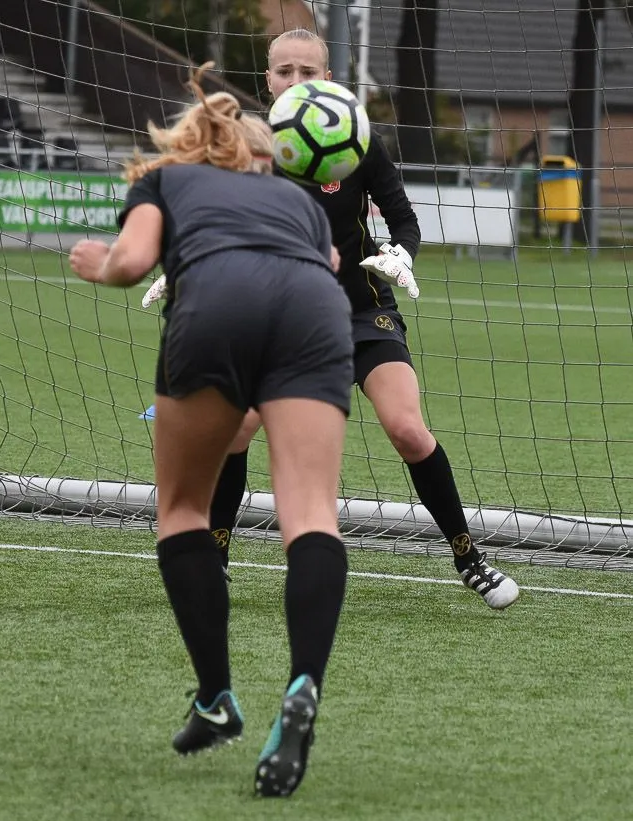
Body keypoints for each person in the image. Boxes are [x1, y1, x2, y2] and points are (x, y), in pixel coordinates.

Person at [142, 28, 519, 611]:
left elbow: (405, 219)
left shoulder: (359, 141)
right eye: (284, 71)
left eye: (308, 72)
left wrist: (400, 253)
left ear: (329, 80)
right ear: (267, 81)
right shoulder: (249, 149)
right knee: (237, 428)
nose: (296, 82)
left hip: (361, 309)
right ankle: (214, 555)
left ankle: (470, 557)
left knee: (408, 430)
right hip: (280, 317)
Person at [69, 63, 353, 798]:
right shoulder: (301, 204)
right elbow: (326, 263)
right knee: (312, 513)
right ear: (263, 155)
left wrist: (98, 265)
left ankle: (217, 696)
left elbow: (133, 262)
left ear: (194, 147)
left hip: (216, 302)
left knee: (184, 511)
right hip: (316, 307)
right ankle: (302, 684)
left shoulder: (166, 179)